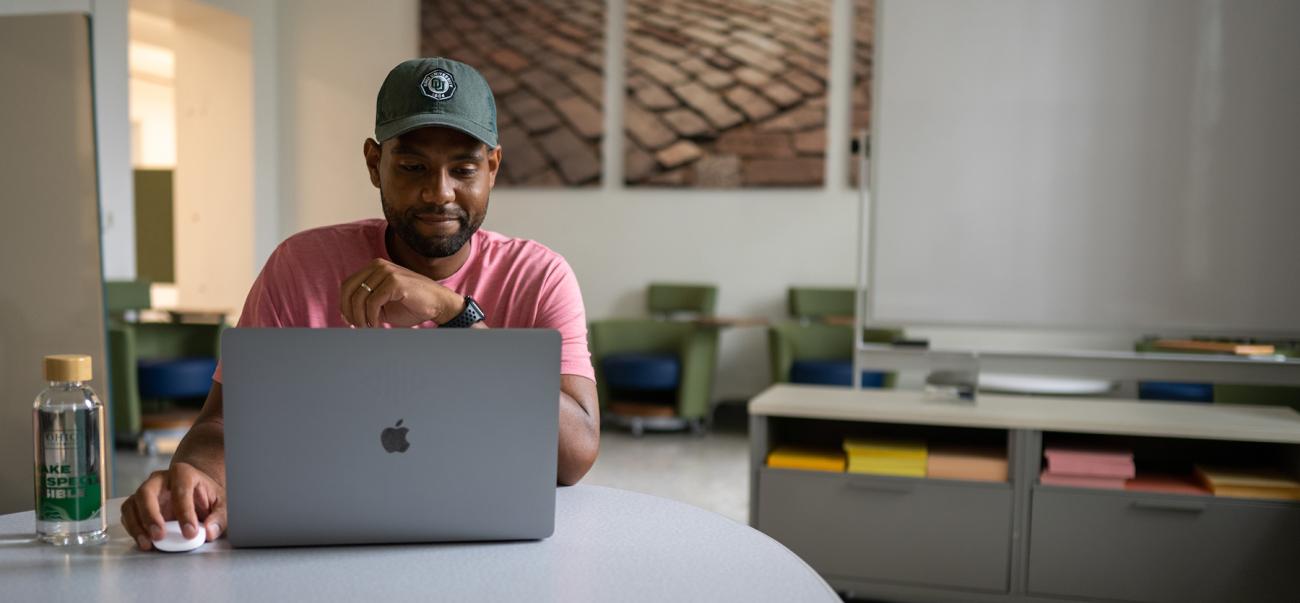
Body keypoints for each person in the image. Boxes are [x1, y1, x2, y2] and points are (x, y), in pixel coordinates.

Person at [119, 58, 600, 551]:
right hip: (319, 547)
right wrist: (199, 475)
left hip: (488, 552)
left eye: (464, 169)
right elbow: (224, 421)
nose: (439, 193)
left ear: (493, 167)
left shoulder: (541, 276)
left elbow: (574, 455)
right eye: (413, 167)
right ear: (374, 163)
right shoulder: (299, 265)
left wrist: (453, 313)